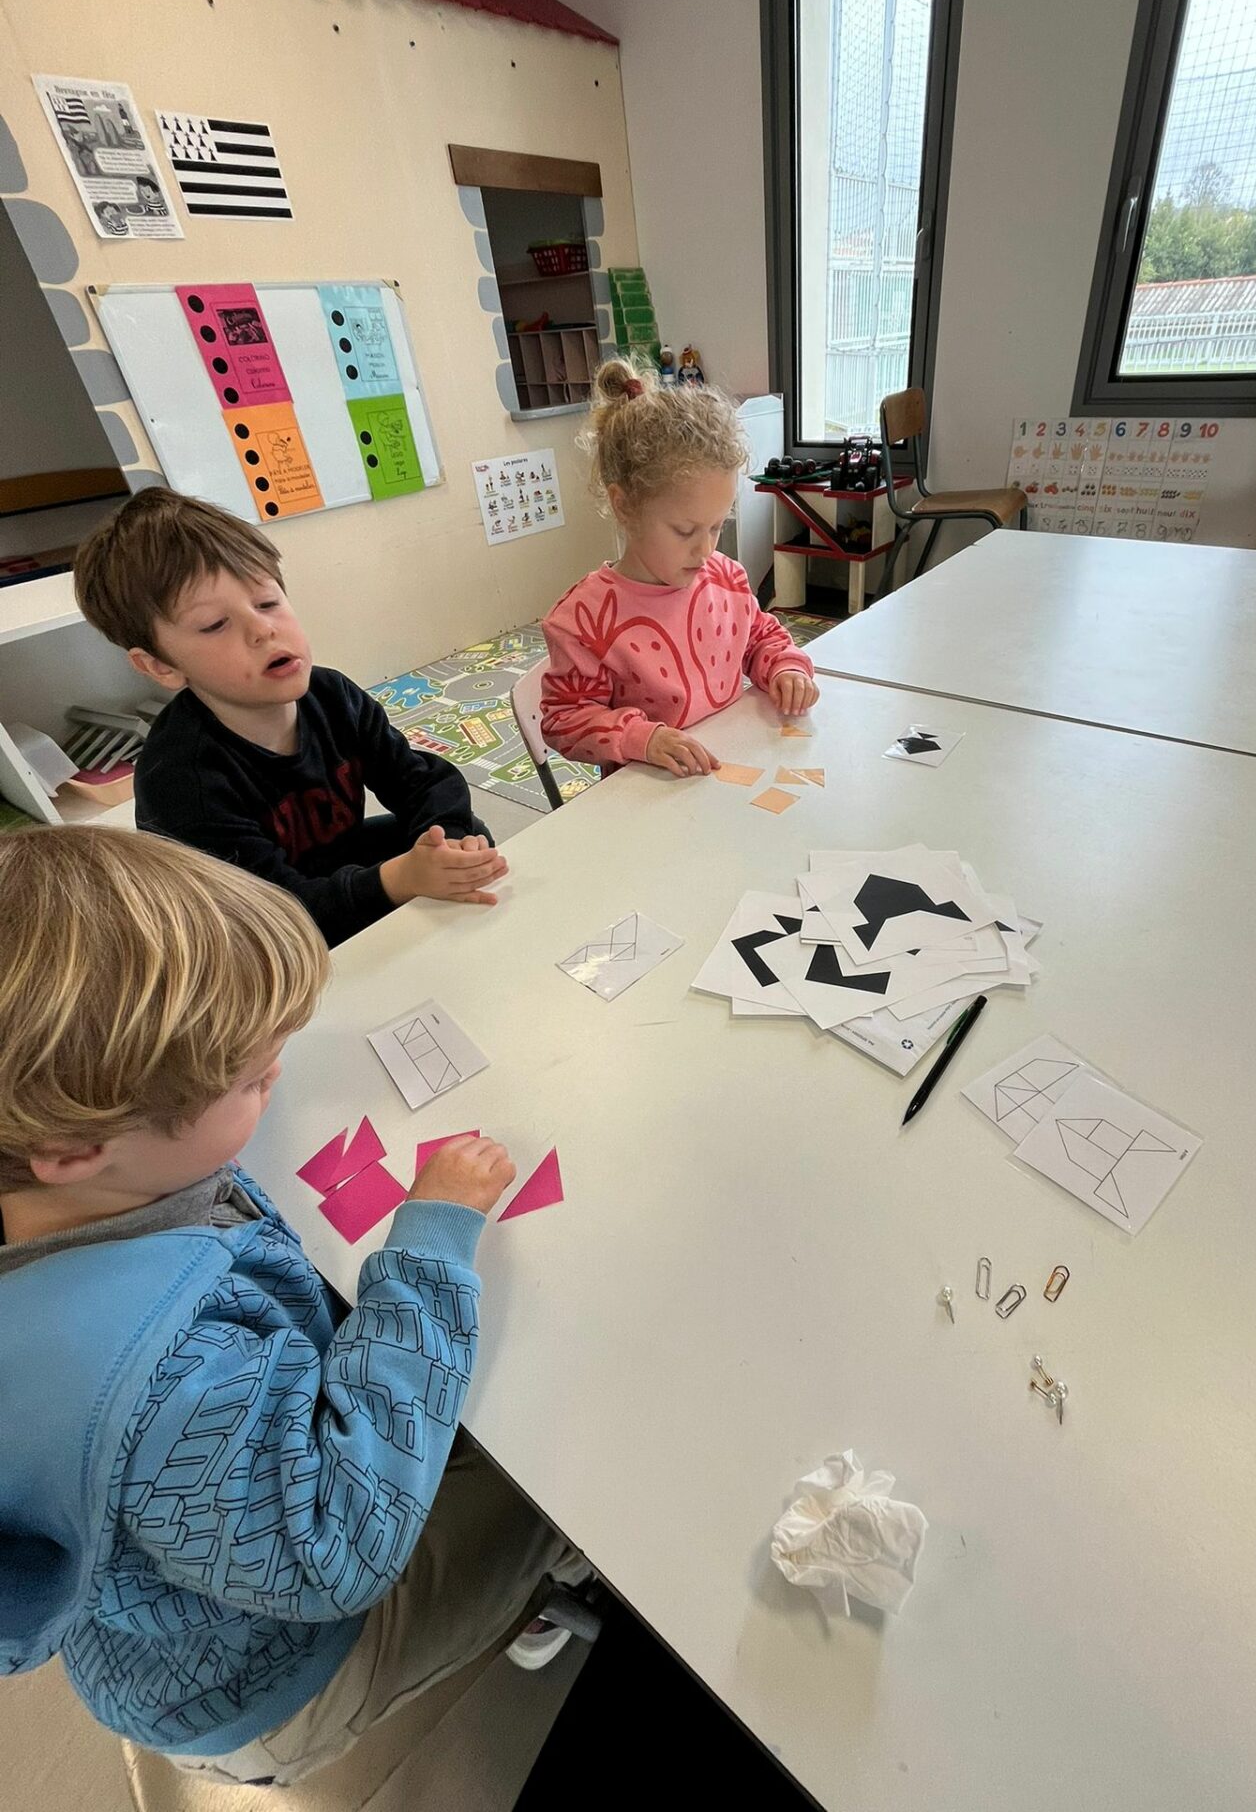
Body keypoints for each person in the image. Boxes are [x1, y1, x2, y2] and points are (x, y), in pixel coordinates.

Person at [0, 828, 577, 1787]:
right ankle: (543, 1592)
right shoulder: (155, 1384)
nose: (277, 1080)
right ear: (75, 1150)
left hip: (202, 1589)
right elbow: (338, 1545)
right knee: (564, 1487)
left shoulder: (75, 1189)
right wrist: (428, 1246)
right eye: (250, 1080)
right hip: (269, 1676)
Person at [73, 487, 507, 947]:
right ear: (161, 666)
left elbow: (420, 780)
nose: (263, 629)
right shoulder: (180, 779)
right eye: (215, 625)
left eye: (267, 602)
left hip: (329, 868)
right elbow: (268, 916)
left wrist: (448, 844)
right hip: (254, 925)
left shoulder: (332, 695)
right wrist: (398, 880)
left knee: (463, 833)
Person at [539, 358, 819, 776]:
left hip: (728, 773)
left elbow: (759, 637)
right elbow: (564, 720)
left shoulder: (726, 578)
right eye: (685, 530)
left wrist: (786, 667)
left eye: (717, 526)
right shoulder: (583, 621)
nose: (705, 550)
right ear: (624, 506)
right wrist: (641, 738)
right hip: (650, 794)